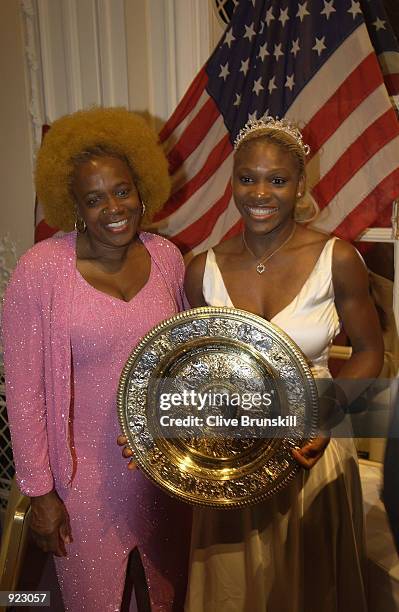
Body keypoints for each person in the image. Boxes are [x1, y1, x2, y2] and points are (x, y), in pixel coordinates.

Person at [182, 117, 384, 612]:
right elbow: (192, 367)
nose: (260, 193)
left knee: (309, 589)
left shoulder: (336, 258)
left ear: (300, 185)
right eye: (247, 178)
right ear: (232, 183)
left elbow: (369, 351)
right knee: (233, 591)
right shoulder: (200, 269)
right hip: (230, 459)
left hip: (309, 450)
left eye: (277, 180)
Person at [2, 107, 191, 612]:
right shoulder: (40, 271)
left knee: (164, 597)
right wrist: (40, 491)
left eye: (122, 190)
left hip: (161, 475)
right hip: (79, 482)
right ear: (75, 207)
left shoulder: (168, 258)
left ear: (142, 189)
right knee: (93, 600)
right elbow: (24, 393)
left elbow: (187, 362)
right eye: (94, 198)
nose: (113, 206)